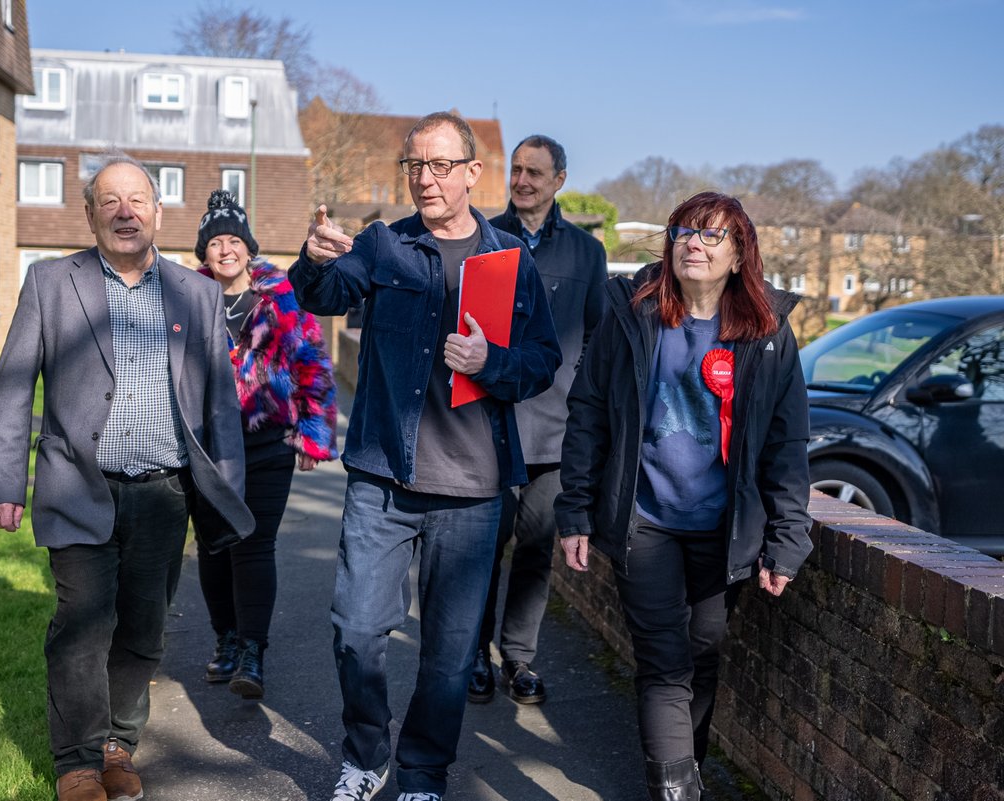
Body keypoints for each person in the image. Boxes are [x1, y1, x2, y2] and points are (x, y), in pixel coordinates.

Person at [289, 111, 561, 801]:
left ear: (473, 173)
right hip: (383, 474)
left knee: (448, 654)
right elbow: (323, 292)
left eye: (441, 165)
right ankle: (366, 752)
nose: (426, 178)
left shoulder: (508, 259)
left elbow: (542, 360)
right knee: (356, 630)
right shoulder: (383, 244)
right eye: (415, 165)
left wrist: (489, 361)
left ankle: (422, 772)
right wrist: (314, 259)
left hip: (471, 489)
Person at [0, 152, 253, 801]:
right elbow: (14, 386)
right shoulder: (52, 282)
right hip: (78, 483)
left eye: (137, 201)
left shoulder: (197, 292)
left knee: (143, 624)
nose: (125, 212)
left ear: (158, 213)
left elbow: (220, 403)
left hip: (165, 490)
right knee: (82, 620)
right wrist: (2, 481)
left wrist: (230, 485)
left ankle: (116, 745)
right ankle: (76, 761)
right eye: (110, 201)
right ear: (90, 213)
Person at [554, 191, 813, 801]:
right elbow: (587, 413)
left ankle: (684, 770)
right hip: (645, 520)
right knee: (665, 662)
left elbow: (787, 442)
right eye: (682, 231)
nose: (692, 243)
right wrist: (575, 510)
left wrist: (787, 539)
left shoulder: (768, 334)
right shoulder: (633, 313)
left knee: (702, 653)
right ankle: (675, 790)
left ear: (738, 252)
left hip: (724, 529)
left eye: (710, 235)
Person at [471, 134, 608, 705]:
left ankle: (519, 659)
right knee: (480, 548)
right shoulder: (483, 239)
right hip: (488, 425)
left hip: (555, 430)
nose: (522, 181)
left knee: (535, 547)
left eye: (535, 173)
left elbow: (599, 340)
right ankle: (472, 654)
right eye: (517, 171)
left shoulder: (586, 253)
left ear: (559, 182)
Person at [191, 189, 339, 701]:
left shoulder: (281, 296)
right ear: (204, 253)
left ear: (248, 248)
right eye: (215, 243)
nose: (225, 250)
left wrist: (313, 434)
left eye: (234, 240)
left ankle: (253, 651)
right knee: (214, 544)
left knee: (254, 544)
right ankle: (226, 639)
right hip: (209, 446)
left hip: (268, 440)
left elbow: (313, 364)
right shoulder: (192, 298)